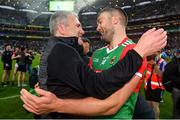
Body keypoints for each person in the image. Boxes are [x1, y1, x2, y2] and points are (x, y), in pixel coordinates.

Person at [20, 10, 167, 118]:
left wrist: (56, 104)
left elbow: (112, 106)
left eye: (100, 21)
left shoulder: (135, 52)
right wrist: (46, 90)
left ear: (115, 20)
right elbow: (86, 86)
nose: (96, 28)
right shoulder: (97, 54)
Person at [144, 54, 165, 119]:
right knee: (148, 105)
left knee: (155, 106)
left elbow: (162, 75)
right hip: (148, 86)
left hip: (156, 88)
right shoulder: (148, 60)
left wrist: (155, 66)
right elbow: (145, 72)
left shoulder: (162, 62)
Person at [163, 50, 180, 118]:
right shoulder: (176, 62)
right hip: (177, 89)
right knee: (177, 110)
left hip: (176, 88)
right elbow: (167, 73)